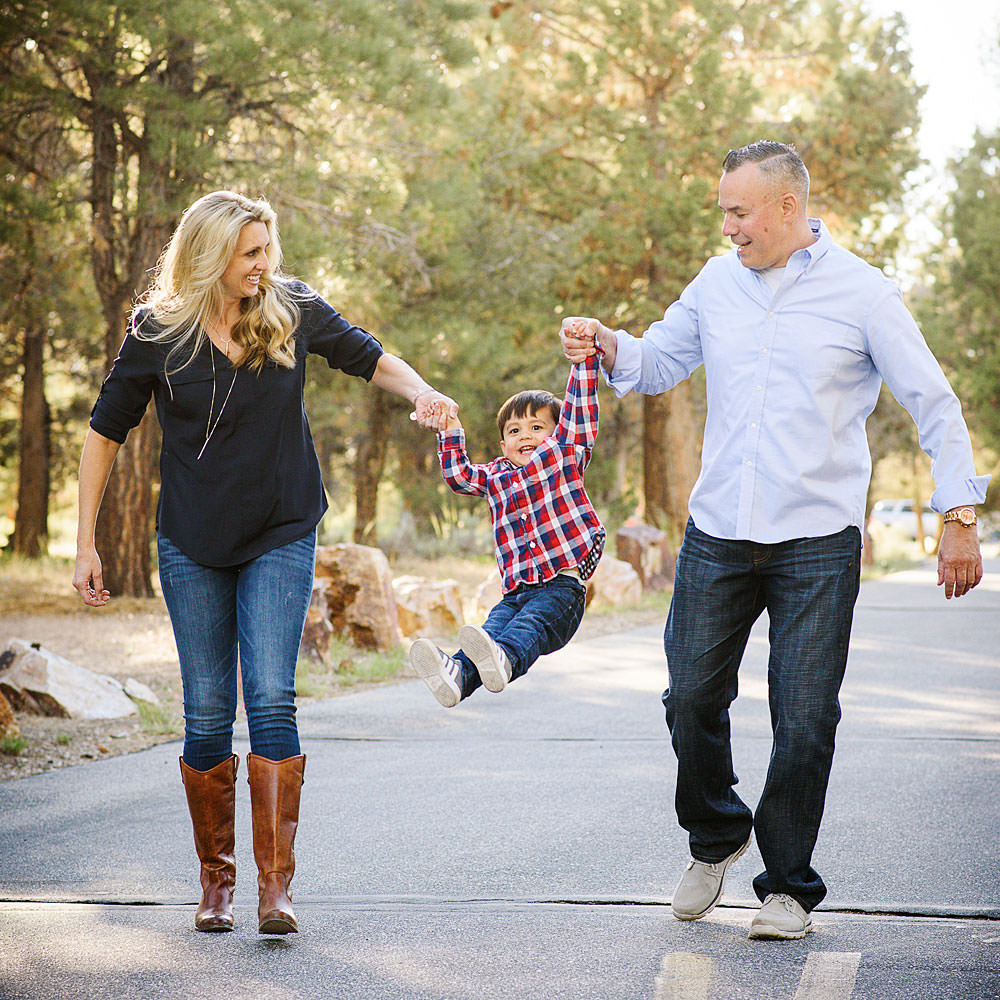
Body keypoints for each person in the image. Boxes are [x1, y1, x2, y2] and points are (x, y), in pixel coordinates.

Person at [560, 140, 989, 940]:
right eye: (723, 209)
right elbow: (656, 363)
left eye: (739, 211)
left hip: (817, 541)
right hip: (719, 529)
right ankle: (718, 833)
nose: (728, 227)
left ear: (787, 207)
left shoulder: (863, 294)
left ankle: (787, 884)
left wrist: (958, 518)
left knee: (804, 718)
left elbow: (934, 401)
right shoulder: (717, 282)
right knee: (688, 697)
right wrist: (607, 342)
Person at [72, 190, 456, 936]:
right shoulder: (157, 330)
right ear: (213, 255)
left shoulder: (291, 307)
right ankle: (216, 886)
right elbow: (104, 431)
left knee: (272, 697)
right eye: (251, 253)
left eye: (267, 251)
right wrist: (85, 541)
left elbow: (369, 356)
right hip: (192, 539)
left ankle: (274, 890)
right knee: (210, 709)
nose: (264, 265)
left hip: (281, 527)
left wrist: (424, 392)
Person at [408, 333, 605, 707]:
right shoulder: (496, 476)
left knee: (524, 630)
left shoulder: (564, 456)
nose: (525, 436)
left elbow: (580, 412)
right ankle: (457, 677)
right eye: (514, 431)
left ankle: (508, 658)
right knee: (489, 631)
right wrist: (449, 428)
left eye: (536, 427)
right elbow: (459, 477)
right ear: (502, 444)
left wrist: (584, 360)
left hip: (562, 590)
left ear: (557, 433)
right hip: (515, 592)